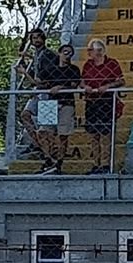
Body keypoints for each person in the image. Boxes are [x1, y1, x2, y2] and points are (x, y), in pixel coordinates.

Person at [36, 43, 82, 174]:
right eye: (65, 51)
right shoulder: (51, 69)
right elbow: (38, 81)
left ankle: (59, 162)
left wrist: (60, 87)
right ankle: (48, 158)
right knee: (43, 132)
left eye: (70, 52)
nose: (67, 54)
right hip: (50, 102)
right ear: (60, 53)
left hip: (66, 102)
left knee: (63, 135)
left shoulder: (73, 69)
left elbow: (74, 85)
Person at [81, 40, 125, 174]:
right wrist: (85, 87)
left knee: (106, 133)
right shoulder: (88, 65)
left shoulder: (112, 63)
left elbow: (121, 80)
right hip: (92, 101)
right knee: (93, 134)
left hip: (106, 101)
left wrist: (107, 86)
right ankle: (96, 163)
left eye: (91, 50)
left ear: (98, 51)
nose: (88, 52)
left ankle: (106, 164)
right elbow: (82, 81)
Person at [17, 28, 58, 157]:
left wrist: (24, 73)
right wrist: (28, 57)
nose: (36, 40)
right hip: (39, 91)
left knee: (47, 127)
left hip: (47, 92)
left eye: (38, 37)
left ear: (43, 39)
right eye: (33, 38)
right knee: (25, 115)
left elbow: (40, 81)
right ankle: (37, 144)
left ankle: (48, 153)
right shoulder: (38, 55)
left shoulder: (48, 55)